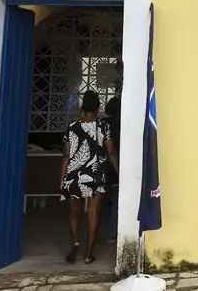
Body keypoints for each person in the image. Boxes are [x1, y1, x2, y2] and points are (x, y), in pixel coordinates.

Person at [60, 90, 119, 265]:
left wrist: (62, 178)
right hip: (95, 175)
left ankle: (76, 241)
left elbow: (66, 155)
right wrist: (119, 171)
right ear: (97, 108)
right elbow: (111, 152)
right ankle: (88, 254)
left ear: (83, 107)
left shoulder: (72, 126)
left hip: (73, 175)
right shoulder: (104, 127)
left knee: (74, 212)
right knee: (93, 213)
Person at [99, 96, 121, 243]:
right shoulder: (124, 123)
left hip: (102, 165)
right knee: (116, 198)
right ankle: (113, 232)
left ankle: (100, 228)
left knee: (104, 198)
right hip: (117, 163)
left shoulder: (103, 124)